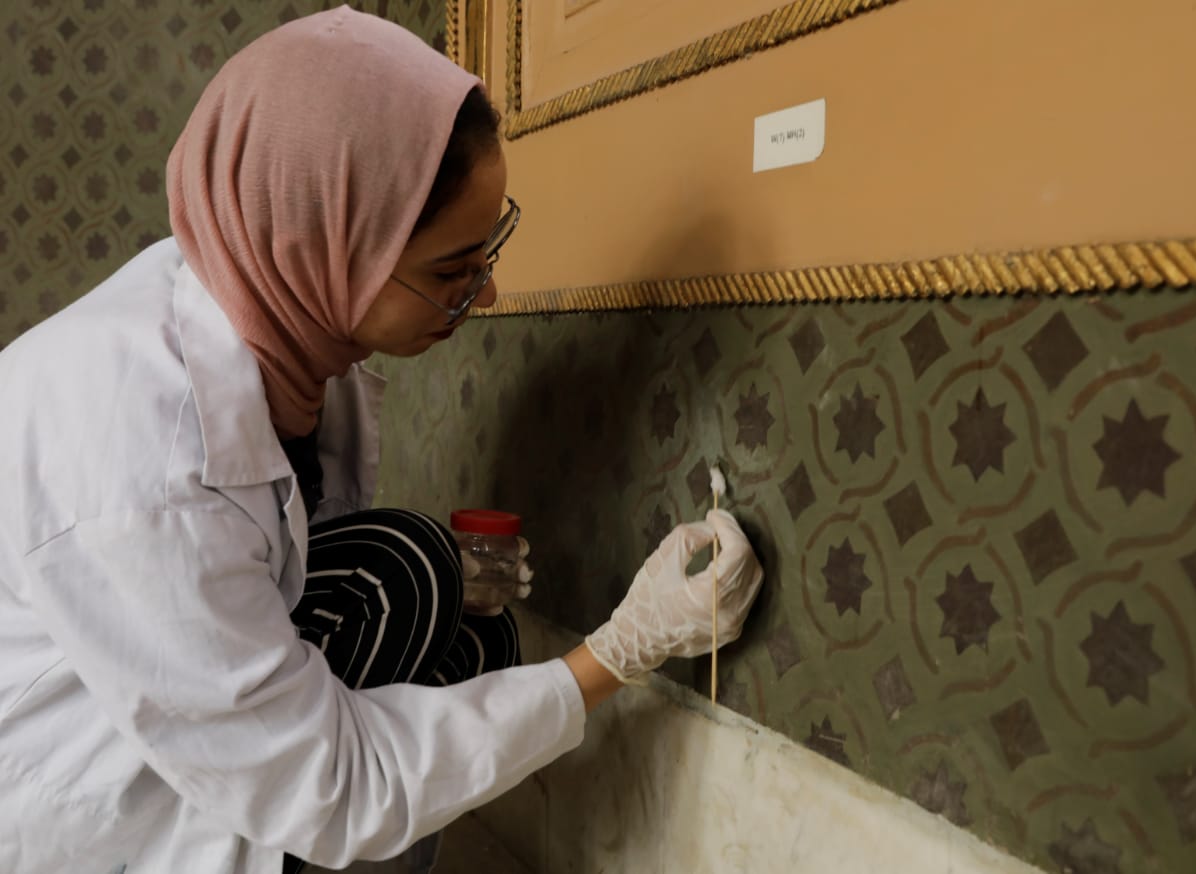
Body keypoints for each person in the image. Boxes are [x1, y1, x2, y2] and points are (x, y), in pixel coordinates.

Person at [0, 8, 764, 874]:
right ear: (323, 244)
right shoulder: (146, 461)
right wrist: (618, 653)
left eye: (487, 252)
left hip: (183, 701)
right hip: (75, 807)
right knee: (411, 586)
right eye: (450, 270)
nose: (484, 294)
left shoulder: (268, 307)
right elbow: (336, 787)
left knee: (460, 620)